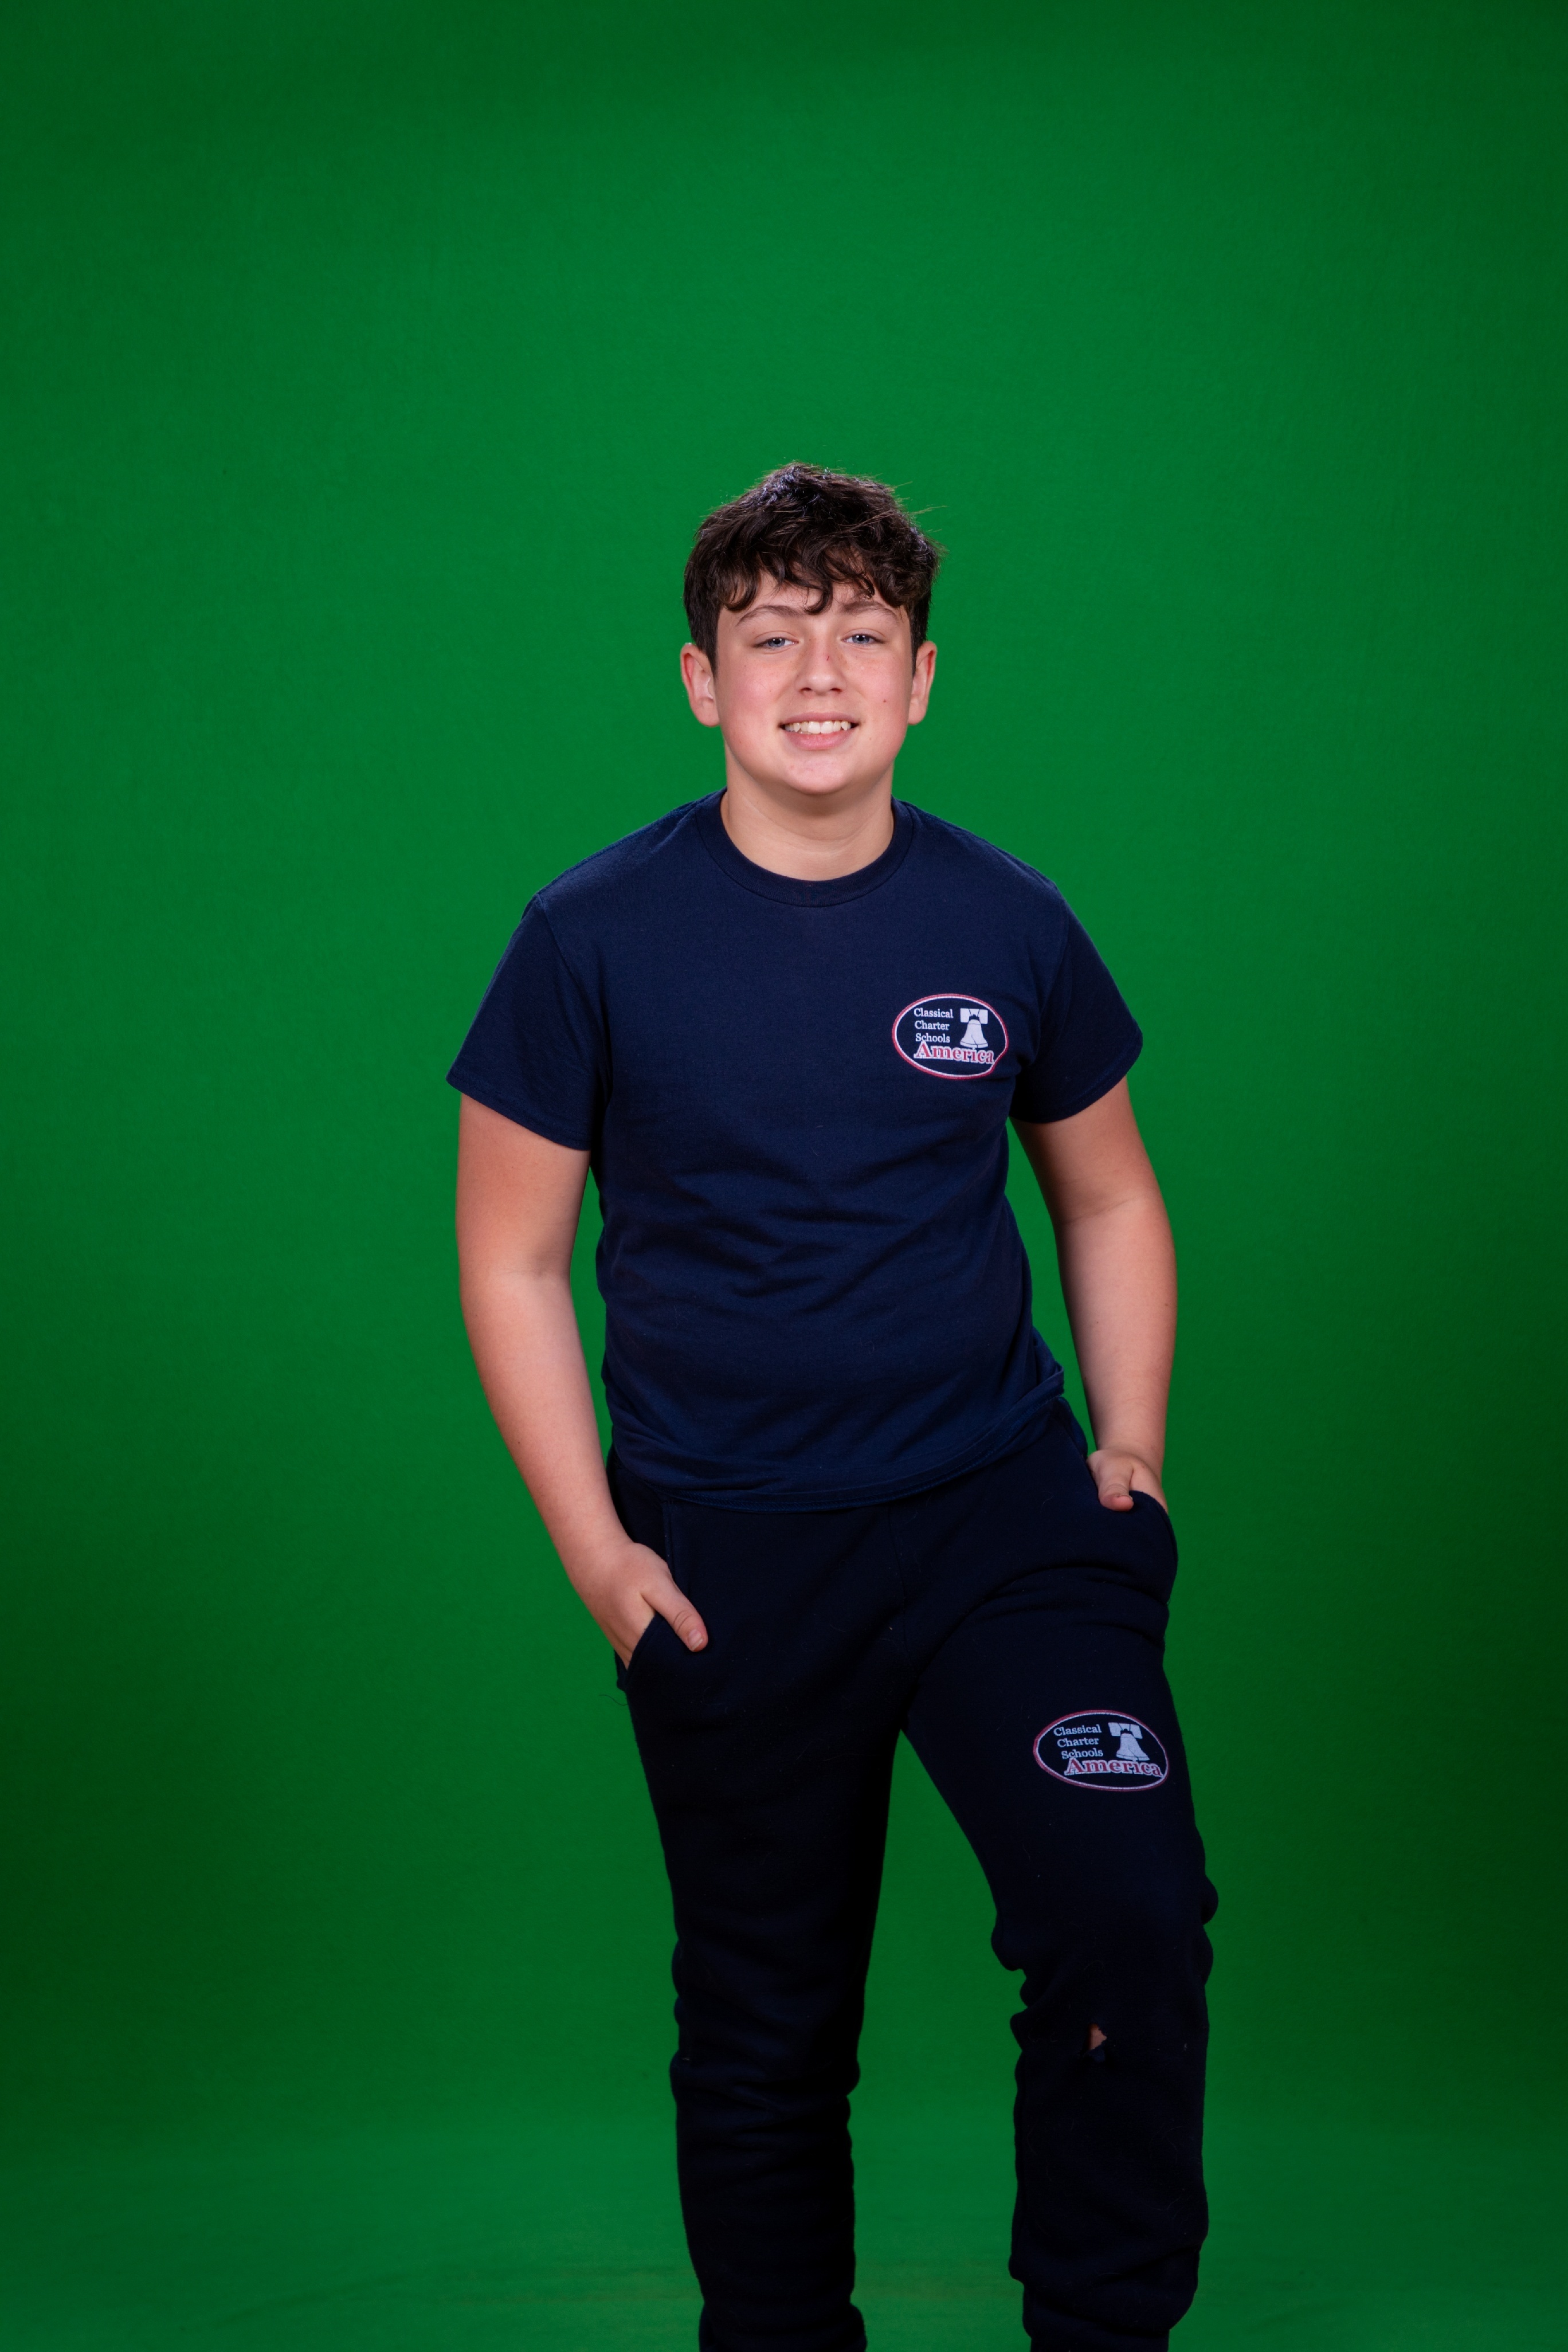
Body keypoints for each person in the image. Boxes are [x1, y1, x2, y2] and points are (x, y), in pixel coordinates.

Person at [449, 463, 1216, 2352]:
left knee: (1129, 1916)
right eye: (773, 635)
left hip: (1001, 1522)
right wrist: (599, 1556)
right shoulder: (589, 937)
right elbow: (513, 1261)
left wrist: (1129, 1445)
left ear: (923, 680)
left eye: (863, 636)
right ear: (700, 679)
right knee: (767, 2021)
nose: (818, 673)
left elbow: (1109, 1196)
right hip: (730, 1551)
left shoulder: (1010, 920)